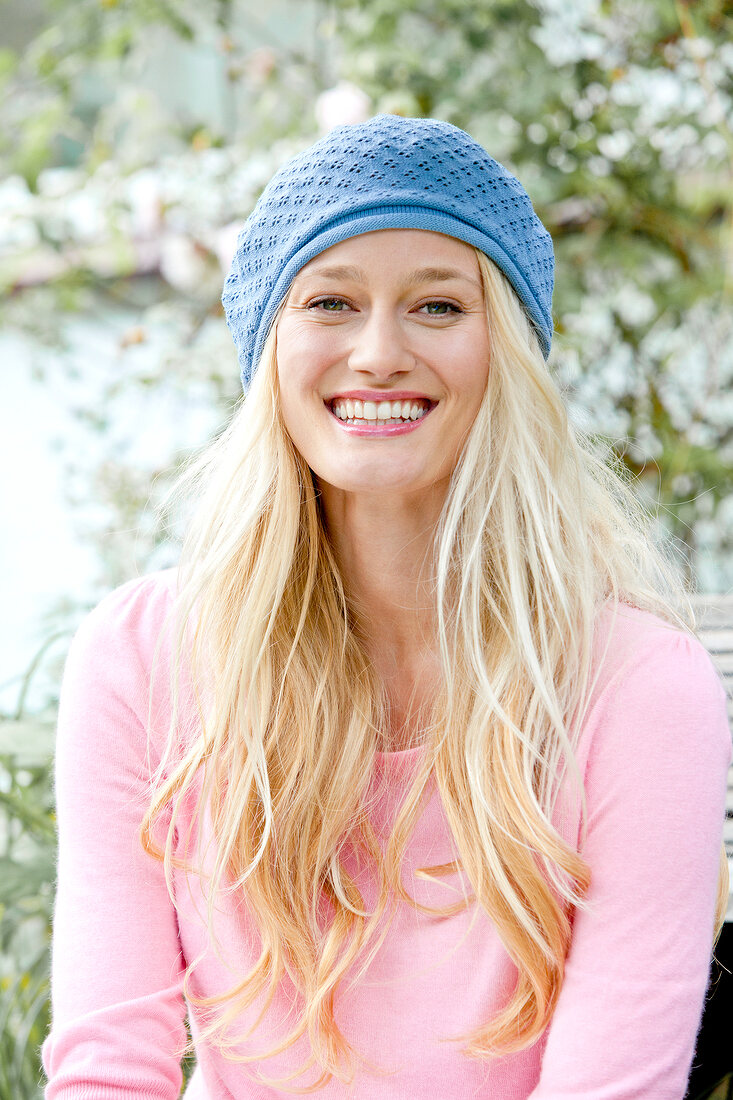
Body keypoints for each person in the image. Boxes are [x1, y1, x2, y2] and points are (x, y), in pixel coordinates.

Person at [42, 114, 731, 1099]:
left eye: (438, 306)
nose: (378, 352)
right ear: (269, 347)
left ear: (510, 353)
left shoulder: (638, 687)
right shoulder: (140, 658)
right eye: (330, 300)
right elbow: (109, 1069)